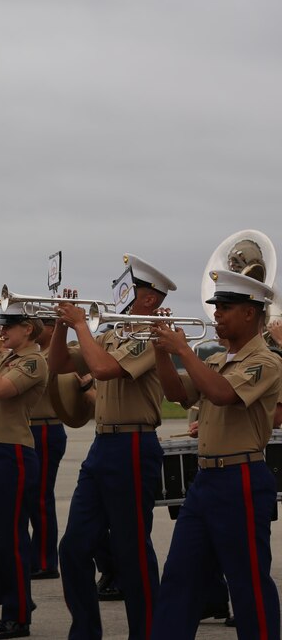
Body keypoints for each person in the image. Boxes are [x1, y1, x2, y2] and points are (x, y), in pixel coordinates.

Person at [48, 253, 175, 640]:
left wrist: (82, 325)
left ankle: (147, 632)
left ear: (149, 298)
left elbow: (102, 369)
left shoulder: (148, 334)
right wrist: (60, 325)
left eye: (128, 286)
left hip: (135, 444)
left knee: (130, 550)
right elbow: (58, 364)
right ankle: (85, 632)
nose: (119, 291)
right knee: (72, 549)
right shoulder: (111, 332)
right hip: (104, 445)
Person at [151, 269, 281, 639]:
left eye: (225, 307)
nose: (217, 314)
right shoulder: (216, 360)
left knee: (247, 582)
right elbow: (179, 393)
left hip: (241, 478)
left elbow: (223, 394)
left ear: (250, 313)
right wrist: (163, 353)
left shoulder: (267, 362)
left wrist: (182, 349)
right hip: (206, 479)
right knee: (180, 576)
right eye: (216, 306)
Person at [0, 303, 47, 638]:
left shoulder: (34, 360)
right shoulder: (4, 357)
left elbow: (1, 389)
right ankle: (15, 597)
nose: (1, 331)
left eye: (9, 326)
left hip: (13, 453)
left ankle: (17, 616)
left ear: (28, 329)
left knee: (11, 538)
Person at [27, 315, 65, 581]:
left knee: (41, 496)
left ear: (52, 328)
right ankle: (36, 555)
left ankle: (45, 559)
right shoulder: (35, 353)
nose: (34, 326)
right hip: (30, 427)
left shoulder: (55, 355)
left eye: (41, 322)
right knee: (31, 497)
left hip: (46, 427)